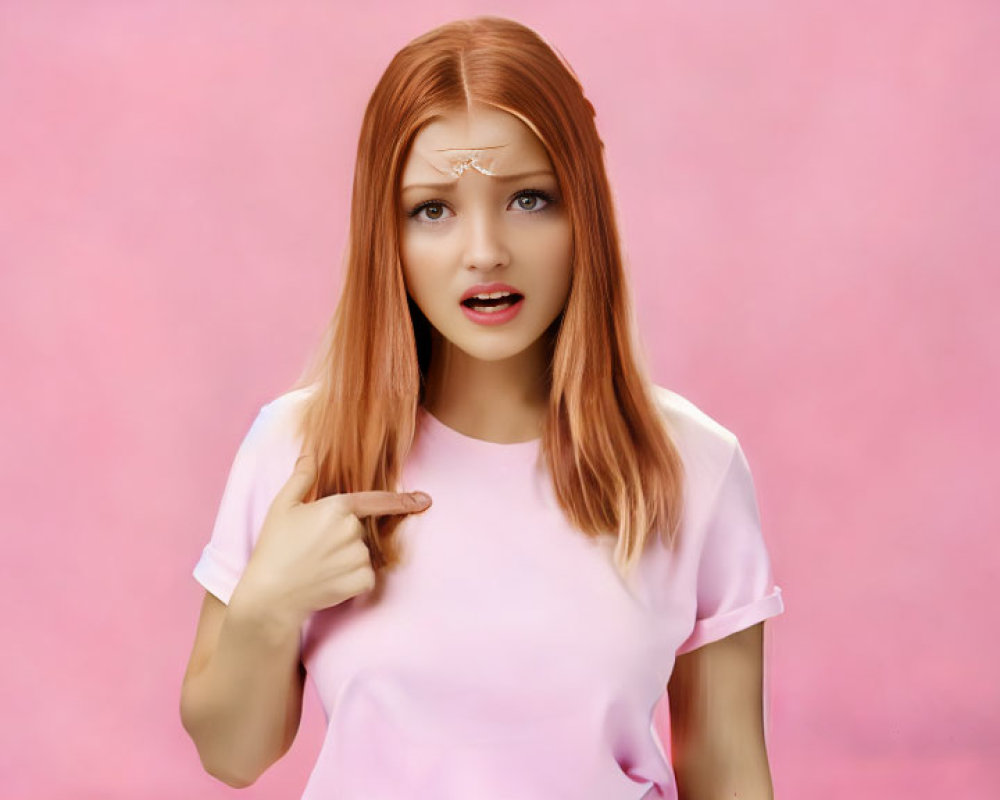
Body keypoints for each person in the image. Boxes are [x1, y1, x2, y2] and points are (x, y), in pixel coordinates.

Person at [179, 16, 785, 800]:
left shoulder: (693, 465)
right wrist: (267, 604)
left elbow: (728, 770)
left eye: (529, 199)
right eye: (433, 209)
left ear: (585, 214)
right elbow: (231, 756)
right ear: (384, 235)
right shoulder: (297, 450)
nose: (486, 250)